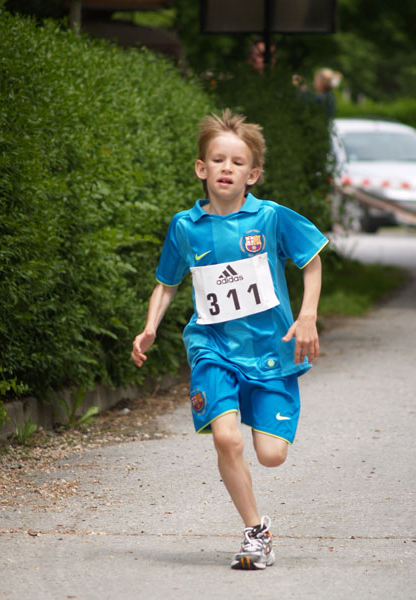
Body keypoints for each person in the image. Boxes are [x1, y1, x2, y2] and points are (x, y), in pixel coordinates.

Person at [131, 109, 329, 570]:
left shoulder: (270, 218)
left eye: (237, 162)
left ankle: (260, 436)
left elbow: (312, 260)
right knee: (226, 439)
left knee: (271, 456)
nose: (226, 168)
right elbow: (167, 283)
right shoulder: (185, 226)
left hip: (271, 352)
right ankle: (256, 533)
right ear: (201, 168)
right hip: (212, 347)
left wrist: (308, 315)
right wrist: (151, 326)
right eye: (218, 160)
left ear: (252, 174)